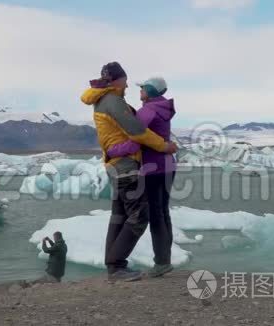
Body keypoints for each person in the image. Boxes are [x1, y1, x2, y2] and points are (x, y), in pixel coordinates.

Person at [81, 62, 177, 282]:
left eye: (142, 87)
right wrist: (164, 146)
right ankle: (121, 265)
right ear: (117, 80)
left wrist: (114, 150)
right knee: (142, 215)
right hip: (128, 165)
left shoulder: (115, 102)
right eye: (125, 81)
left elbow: (134, 133)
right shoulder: (114, 102)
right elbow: (137, 132)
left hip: (132, 165)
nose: (130, 86)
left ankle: (115, 265)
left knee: (124, 215)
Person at [106, 77, 176, 278]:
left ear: (151, 90)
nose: (140, 90)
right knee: (163, 213)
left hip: (153, 169)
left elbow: (136, 138)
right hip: (168, 165)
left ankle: (162, 263)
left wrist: (114, 150)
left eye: (143, 88)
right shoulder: (162, 108)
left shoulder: (148, 110)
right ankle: (164, 260)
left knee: (155, 215)